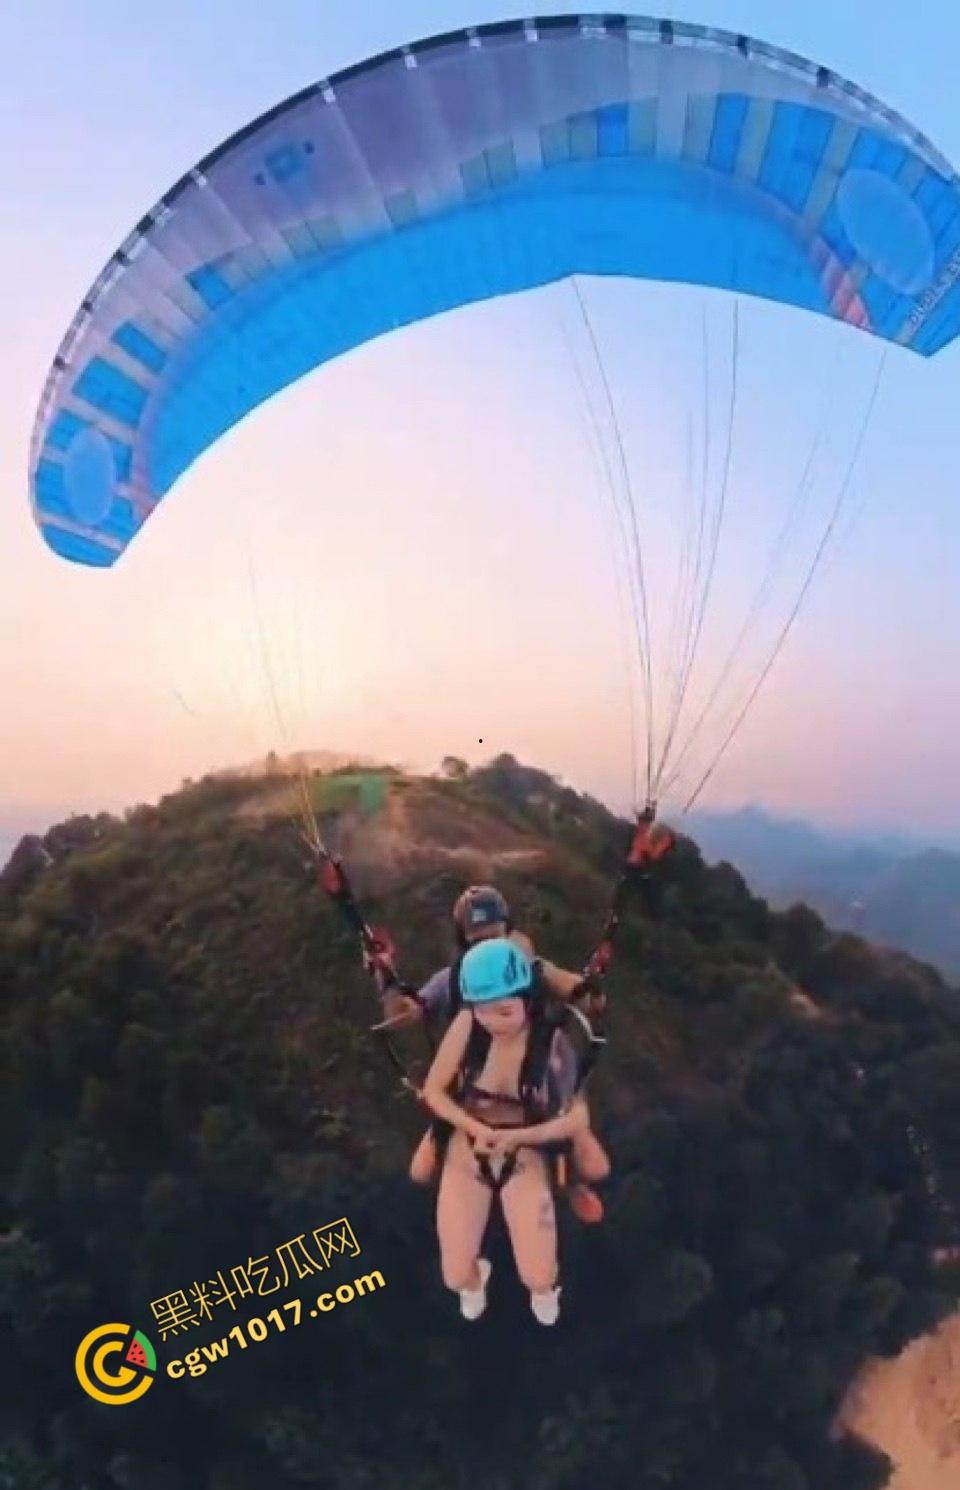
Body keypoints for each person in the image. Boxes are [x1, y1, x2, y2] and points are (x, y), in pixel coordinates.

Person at [373, 884, 610, 1219]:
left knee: (581, 1141)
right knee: (424, 1165)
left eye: (495, 938)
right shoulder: (454, 979)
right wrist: (385, 978)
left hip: (536, 1077)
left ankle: (569, 1178)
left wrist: (590, 988)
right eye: (479, 941)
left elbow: (581, 995)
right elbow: (404, 1015)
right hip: (476, 1084)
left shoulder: (529, 967)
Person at [422, 936, 587, 1325]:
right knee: (454, 1275)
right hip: (470, 1147)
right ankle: (475, 1279)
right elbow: (434, 1090)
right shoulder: (468, 1026)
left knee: (539, 1275)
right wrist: (472, 1127)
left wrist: (518, 1138)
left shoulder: (549, 1041)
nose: (494, 1021)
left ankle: (544, 1288)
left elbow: (576, 1118)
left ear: (526, 1000)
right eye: (483, 1010)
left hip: (523, 1148)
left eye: (505, 1011)